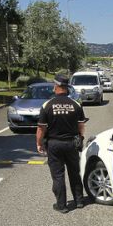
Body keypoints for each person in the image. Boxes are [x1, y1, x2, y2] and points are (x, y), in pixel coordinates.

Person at [36, 74, 87, 213]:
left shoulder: (47, 105)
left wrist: (39, 143)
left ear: (57, 87)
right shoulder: (76, 104)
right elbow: (81, 125)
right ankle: (79, 201)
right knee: (74, 173)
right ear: (66, 88)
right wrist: (80, 139)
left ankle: (62, 206)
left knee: (58, 175)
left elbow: (41, 128)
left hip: (54, 144)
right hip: (71, 143)